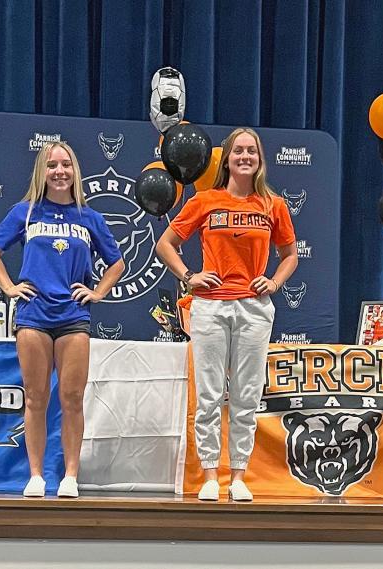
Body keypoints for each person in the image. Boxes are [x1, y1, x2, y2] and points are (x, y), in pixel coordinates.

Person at [155, 127, 298, 501]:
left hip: (253, 308)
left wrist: (275, 281)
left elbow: (290, 254)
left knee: (248, 395)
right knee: (209, 395)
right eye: (238, 151)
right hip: (211, 306)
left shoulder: (273, 205)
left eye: (251, 151)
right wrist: (189, 276)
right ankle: (208, 476)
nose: (245, 157)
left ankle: (238, 476)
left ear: (260, 159)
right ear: (227, 159)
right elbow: (166, 243)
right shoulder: (205, 201)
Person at [0, 142, 124, 498]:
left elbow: (117, 263)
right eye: (52, 166)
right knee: (35, 397)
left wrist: (98, 292)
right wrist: (9, 286)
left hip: (73, 316)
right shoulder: (25, 212)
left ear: (75, 171)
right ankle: (35, 475)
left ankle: (70, 476)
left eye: (66, 165)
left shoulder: (89, 217)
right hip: (33, 315)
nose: (59, 171)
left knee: (73, 397)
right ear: (41, 173)